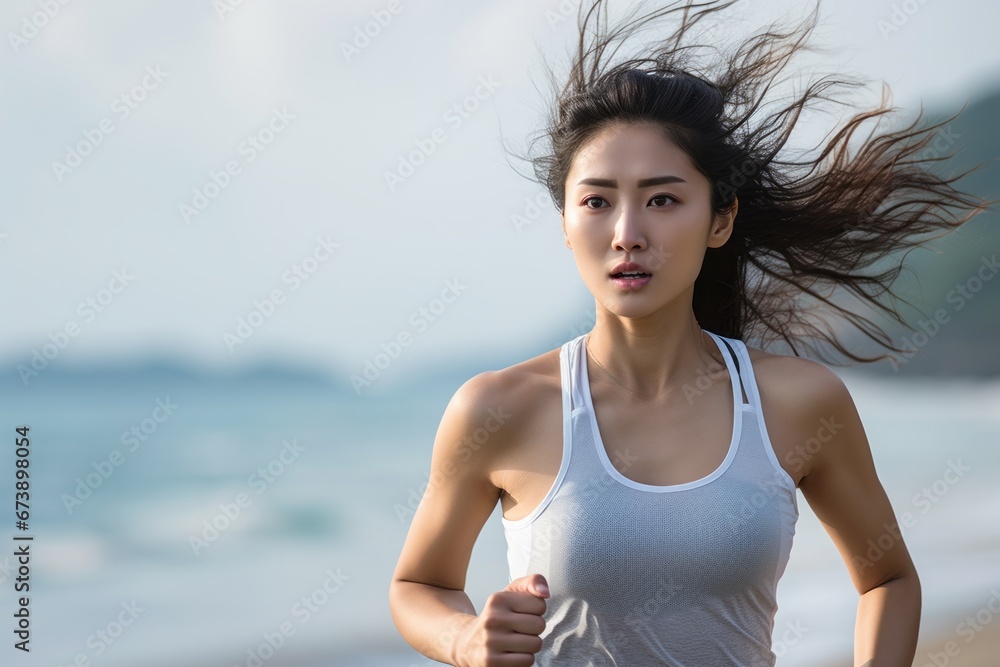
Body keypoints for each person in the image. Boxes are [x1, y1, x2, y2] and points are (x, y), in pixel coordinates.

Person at [388, 1, 988, 664]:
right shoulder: (496, 409)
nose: (627, 233)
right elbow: (419, 584)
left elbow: (888, 578)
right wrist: (464, 638)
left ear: (719, 220)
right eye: (597, 201)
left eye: (663, 199)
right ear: (565, 223)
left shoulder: (799, 402)